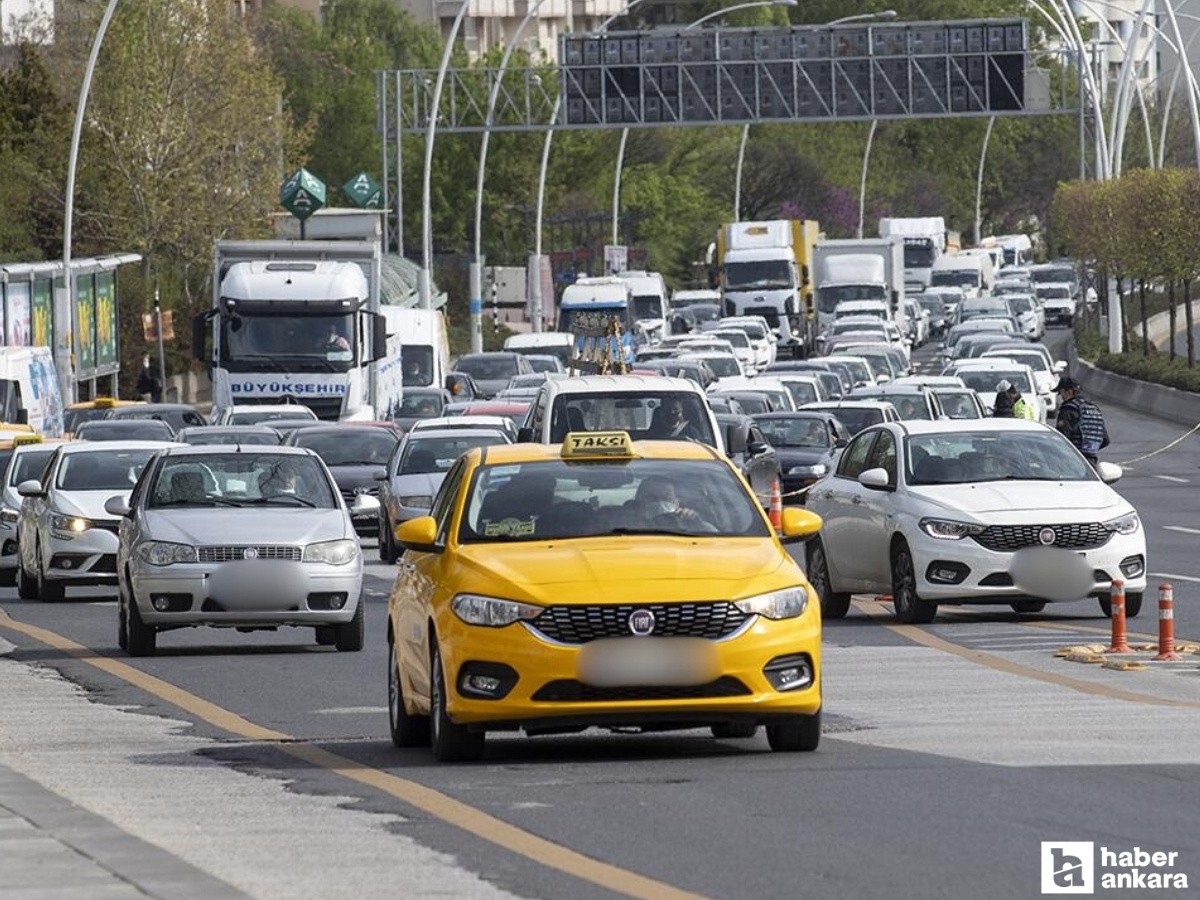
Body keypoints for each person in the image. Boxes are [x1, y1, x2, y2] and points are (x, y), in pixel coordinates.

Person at [1055, 376, 1109, 466]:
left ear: (1069, 392)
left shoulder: (1068, 410)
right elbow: (1105, 440)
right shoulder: (1093, 408)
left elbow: (1063, 439)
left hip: (1072, 462)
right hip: (1091, 463)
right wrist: (1089, 448)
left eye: (1061, 393)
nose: (1061, 397)